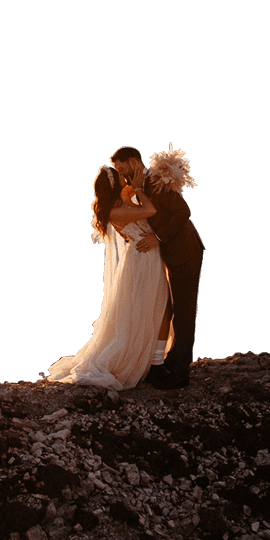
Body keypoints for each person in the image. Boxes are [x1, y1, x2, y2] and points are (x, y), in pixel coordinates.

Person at [44, 147, 173, 389]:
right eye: (122, 176)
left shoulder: (120, 203)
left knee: (156, 308)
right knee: (152, 309)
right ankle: (152, 364)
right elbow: (150, 211)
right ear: (114, 185)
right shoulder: (115, 211)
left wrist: (133, 189)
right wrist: (140, 188)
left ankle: (155, 361)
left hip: (145, 258)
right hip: (142, 262)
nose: (126, 178)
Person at [133, 144, 203, 387]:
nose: (122, 176)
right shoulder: (142, 186)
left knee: (184, 314)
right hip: (175, 255)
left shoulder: (153, 182)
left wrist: (158, 238)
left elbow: (183, 211)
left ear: (134, 163)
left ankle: (181, 375)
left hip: (186, 252)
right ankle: (173, 361)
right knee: (173, 309)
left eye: (123, 169)